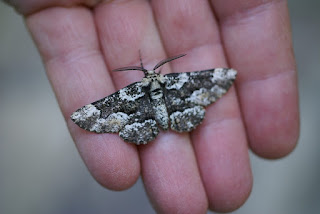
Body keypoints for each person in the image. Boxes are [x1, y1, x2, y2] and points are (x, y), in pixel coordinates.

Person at [4, 0, 299, 213]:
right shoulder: (172, 81)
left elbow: (219, 78)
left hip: (150, 117)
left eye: (154, 72)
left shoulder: (133, 92)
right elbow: (90, 116)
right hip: (172, 111)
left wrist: (225, 75)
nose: (153, 75)